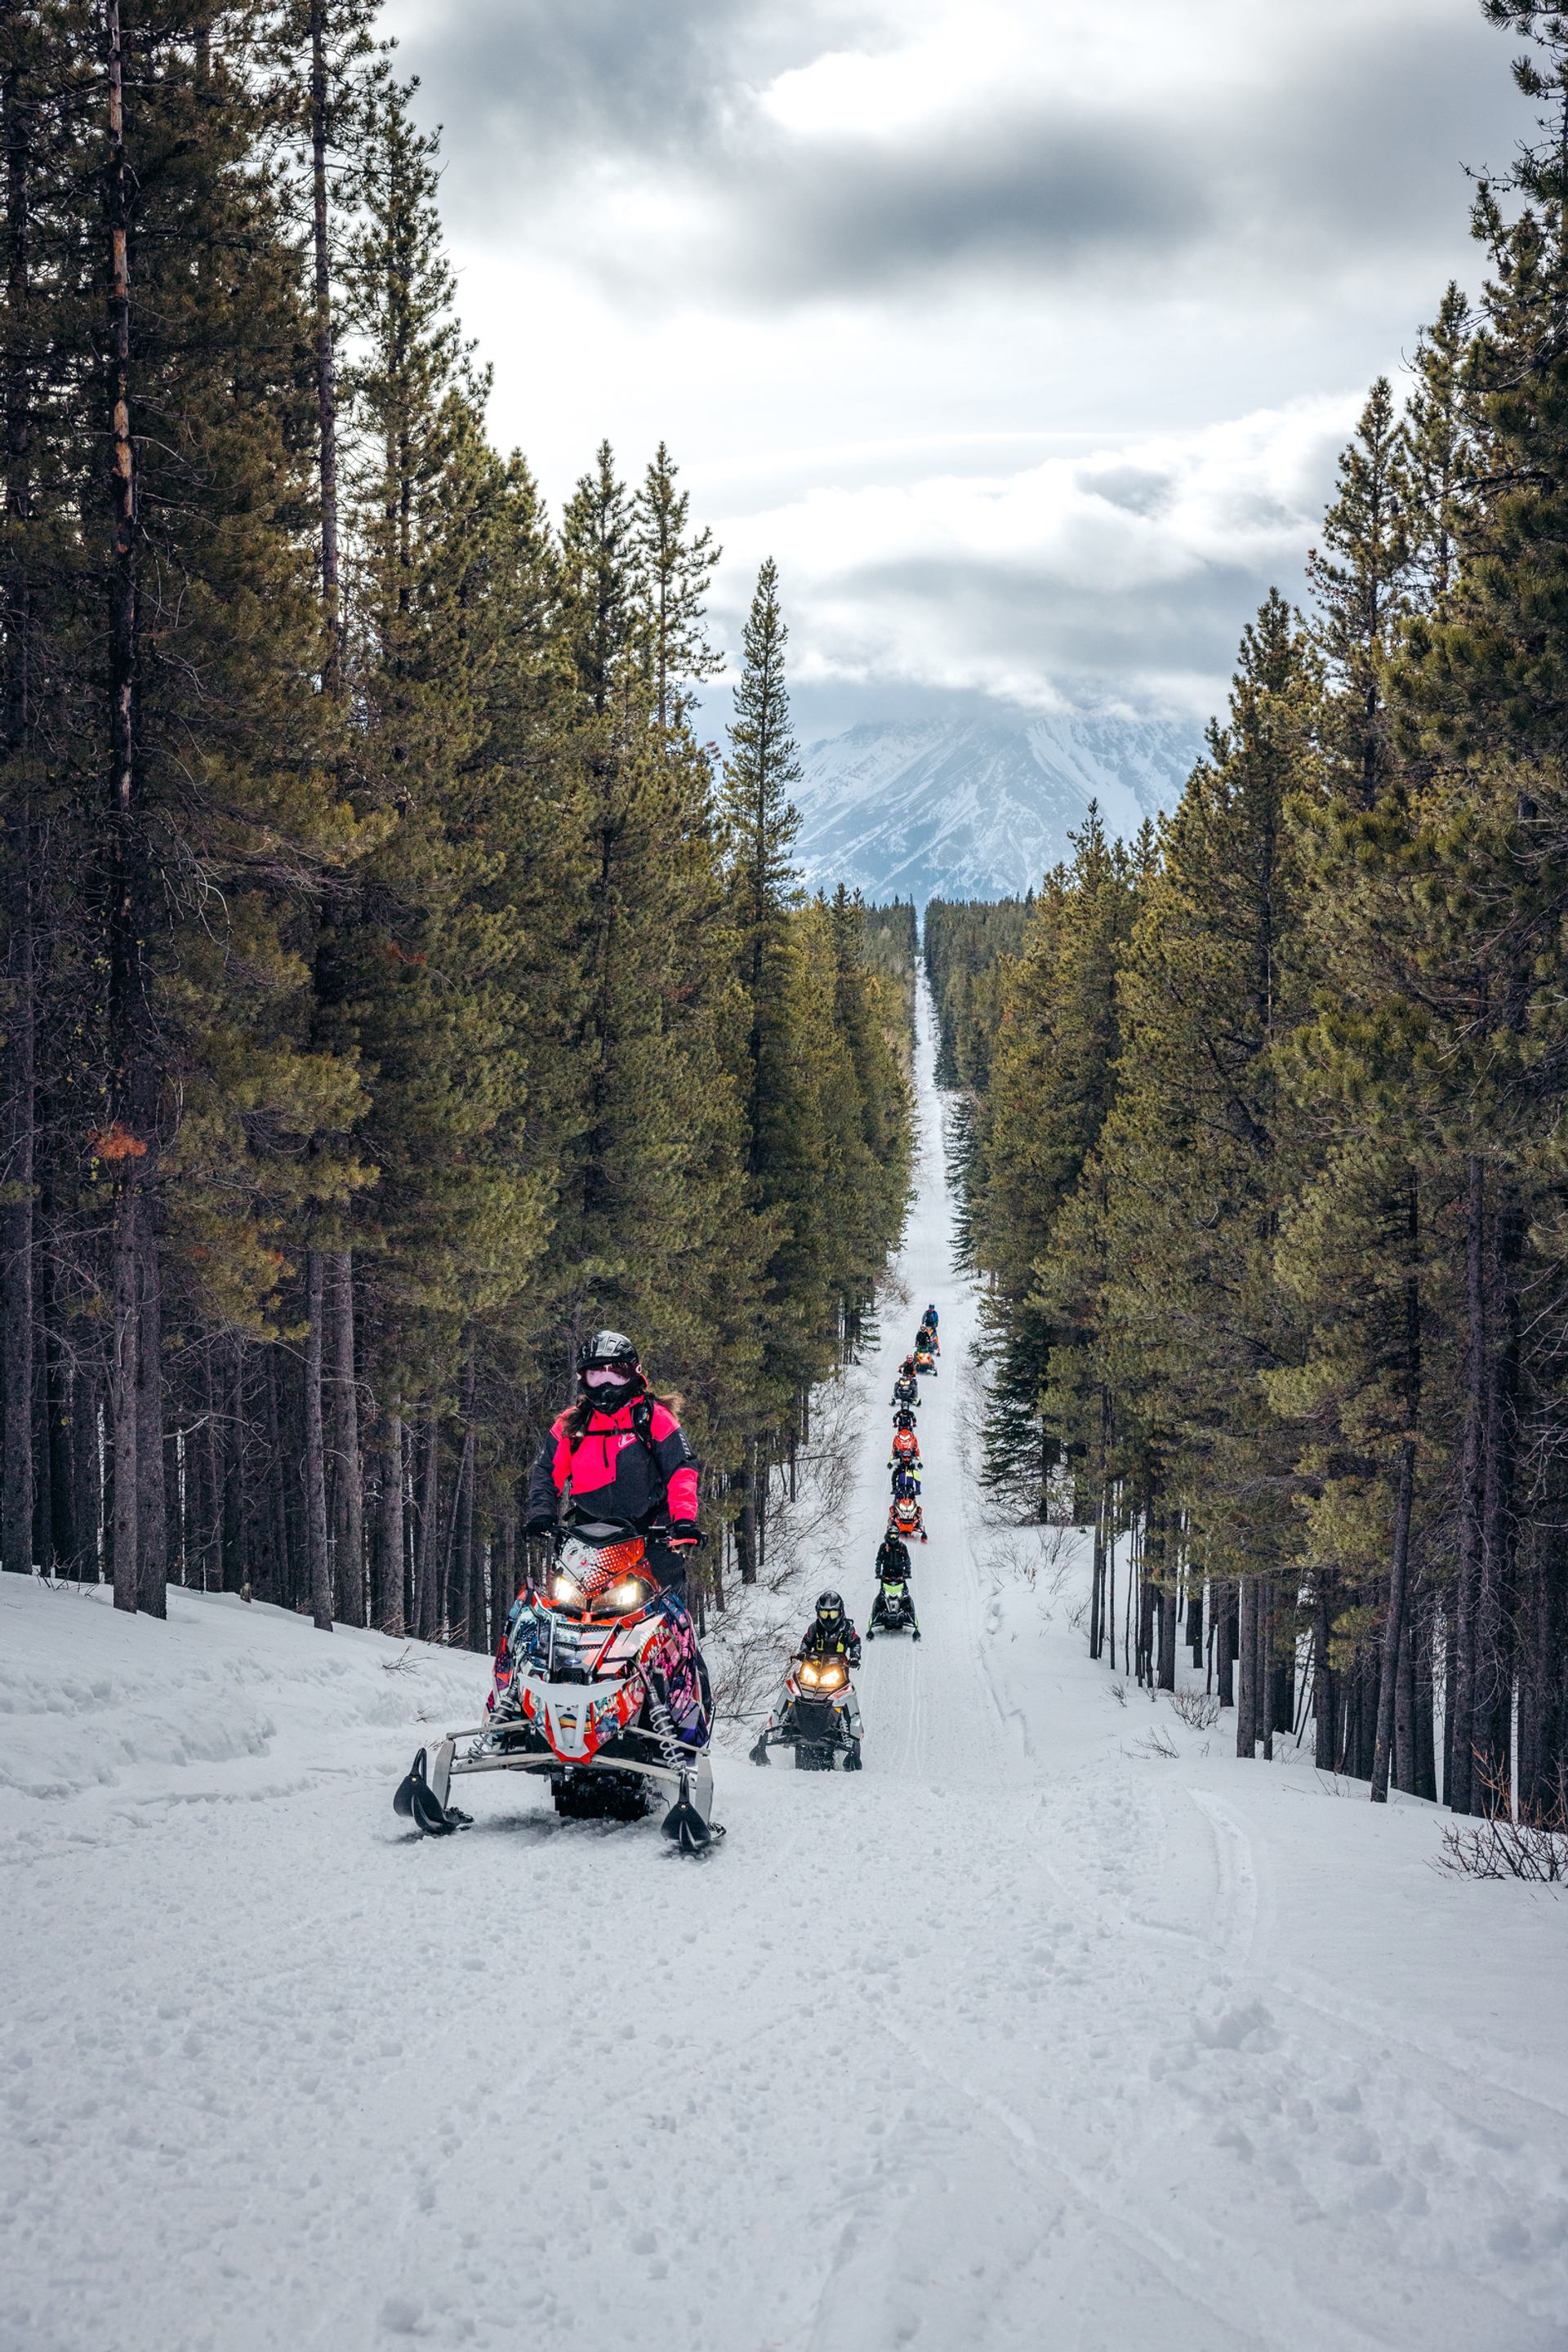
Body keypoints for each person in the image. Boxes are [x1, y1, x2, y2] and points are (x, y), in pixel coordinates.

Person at [523, 1329, 701, 1596]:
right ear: (583, 1380)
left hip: (650, 1529)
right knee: (568, 1598)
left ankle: (677, 1635)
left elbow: (681, 1470)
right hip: (589, 1532)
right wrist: (542, 1514)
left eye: (615, 1375)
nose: (606, 1386)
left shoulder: (654, 1418)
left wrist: (684, 1520)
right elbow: (547, 1472)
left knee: (664, 1592)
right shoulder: (571, 1424)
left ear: (633, 1375)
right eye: (596, 1376)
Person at [868, 1536, 920, 1638]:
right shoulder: (884, 1547)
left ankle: (910, 1618)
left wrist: (907, 1573)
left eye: (894, 1535)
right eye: (891, 1535)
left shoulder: (902, 1547)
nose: (893, 1537)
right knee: (881, 1597)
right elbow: (879, 1560)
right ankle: (876, 1617)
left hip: (900, 1576)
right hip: (886, 1576)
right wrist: (878, 1573)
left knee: (905, 1597)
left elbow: (907, 1560)